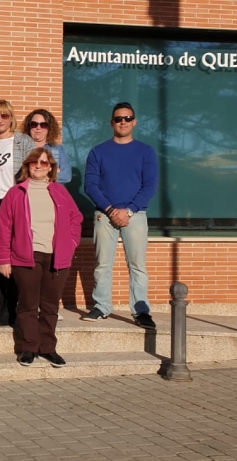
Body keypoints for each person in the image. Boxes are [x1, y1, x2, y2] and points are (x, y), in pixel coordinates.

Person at [0, 148, 82, 368]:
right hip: (27, 258)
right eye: (35, 162)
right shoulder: (16, 193)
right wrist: (4, 258)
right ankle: (29, 348)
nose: (39, 166)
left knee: (50, 306)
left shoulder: (60, 191)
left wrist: (71, 244)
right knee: (27, 305)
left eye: (44, 163)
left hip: (57, 258)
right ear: (27, 165)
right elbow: (4, 227)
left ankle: (48, 348)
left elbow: (76, 219)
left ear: (51, 168)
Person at [83, 102, 159, 328]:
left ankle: (141, 310)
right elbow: (91, 185)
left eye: (127, 118)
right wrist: (110, 210)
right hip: (104, 215)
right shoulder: (98, 151)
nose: (123, 122)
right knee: (103, 264)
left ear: (134, 121)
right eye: (118, 119)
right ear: (112, 123)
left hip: (135, 215)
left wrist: (129, 210)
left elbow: (150, 185)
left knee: (137, 265)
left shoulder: (146, 151)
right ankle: (102, 306)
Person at [0, 100, 35, 328]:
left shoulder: (24, 141)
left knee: (12, 255)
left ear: (11, 117)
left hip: (12, 202)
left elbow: (34, 172)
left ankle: (15, 308)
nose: (0, 120)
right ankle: (0, 308)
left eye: (4, 116)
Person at [22, 109, 72, 184]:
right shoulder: (21, 148)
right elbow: (18, 175)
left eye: (43, 125)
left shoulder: (58, 149)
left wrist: (36, 176)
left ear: (49, 128)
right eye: (34, 124)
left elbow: (66, 176)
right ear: (29, 126)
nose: (38, 128)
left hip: (50, 193)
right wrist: (52, 172)